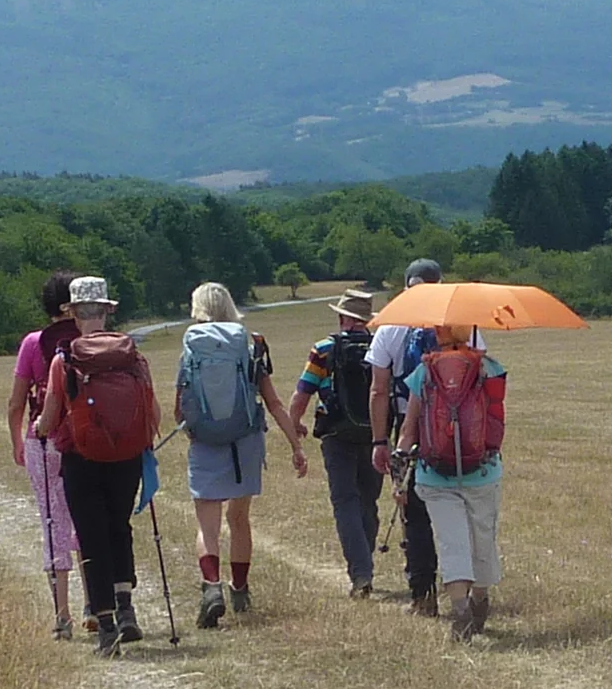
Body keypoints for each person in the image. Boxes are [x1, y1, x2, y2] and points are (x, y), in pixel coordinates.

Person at [33, 275, 159, 657]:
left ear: (73, 313)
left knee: (91, 535)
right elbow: (152, 414)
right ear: (106, 311)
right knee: (119, 526)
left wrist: (38, 429)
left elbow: (50, 417)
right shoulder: (133, 356)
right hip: (127, 457)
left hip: (81, 458)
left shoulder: (64, 359)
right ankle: (126, 607)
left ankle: (105, 626)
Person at [174, 282, 305, 627]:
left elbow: (179, 407)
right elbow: (273, 402)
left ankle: (211, 587)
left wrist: (192, 428)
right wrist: (296, 446)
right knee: (239, 519)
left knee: (208, 524)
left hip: (204, 443)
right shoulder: (247, 345)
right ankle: (241, 590)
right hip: (245, 441)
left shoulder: (191, 346)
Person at [368, 258, 484, 617]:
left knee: (415, 514)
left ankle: (423, 595)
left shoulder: (391, 327)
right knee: (464, 511)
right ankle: (470, 593)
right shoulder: (467, 325)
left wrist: (379, 442)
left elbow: (378, 389)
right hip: (464, 428)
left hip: (411, 425)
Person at [395, 323, 506, 641]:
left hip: (434, 473)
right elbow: (496, 420)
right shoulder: (491, 367)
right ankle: (480, 602)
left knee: (451, 542)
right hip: (483, 472)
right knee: (482, 538)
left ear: (441, 334)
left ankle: (460, 612)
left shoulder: (425, 370)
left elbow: (409, 427)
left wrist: (400, 470)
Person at [287, 289, 384, 597]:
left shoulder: (325, 349)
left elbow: (303, 392)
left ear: (343, 317)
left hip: (336, 434)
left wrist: (295, 425)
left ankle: (361, 572)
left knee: (345, 503)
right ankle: (364, 562)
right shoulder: (381, 345)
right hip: (374, 433)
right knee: (368, 501)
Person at [6, 270, 81, 639]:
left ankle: (62, 613)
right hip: (87, 439)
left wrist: (18, 441)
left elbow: (16, 401)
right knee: (87, 519)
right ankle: (95, 605)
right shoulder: (91, 339)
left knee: (53, 521)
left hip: (45, 438)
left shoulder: (34, 343)